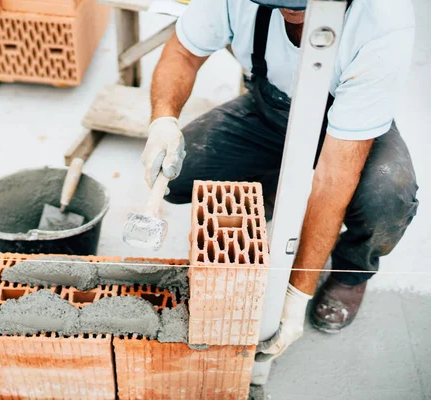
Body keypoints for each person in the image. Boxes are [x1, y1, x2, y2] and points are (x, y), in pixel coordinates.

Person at [141, 0, 418, 360]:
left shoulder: (383, 22)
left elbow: (334, 177)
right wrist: (163, 120)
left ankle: (352, 273)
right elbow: (183, 51)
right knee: (181, 176)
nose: (289, 11)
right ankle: (270, 184)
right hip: (269, 112)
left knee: (388, 194)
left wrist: (295, 294)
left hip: (347, 125)